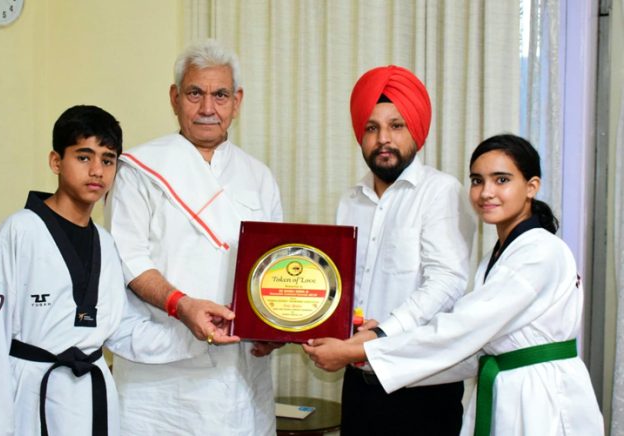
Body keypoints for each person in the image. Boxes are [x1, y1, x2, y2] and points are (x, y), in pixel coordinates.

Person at [303, 134, 605, 435]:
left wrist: (367, 349)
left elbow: (461, 329)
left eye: (501, 180)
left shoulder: (540, 252)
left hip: (541, 395)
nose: (486, 192)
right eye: (477, 180)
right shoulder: (497, 256)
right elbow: (469, 349)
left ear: (531, 186)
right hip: (507, 386)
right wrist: (376, 351)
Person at [0, 105, 178, 435]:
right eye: (84, 157)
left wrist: (201, 334)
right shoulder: (18, 233)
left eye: (108, 159)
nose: (97, 171)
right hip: (31, 398)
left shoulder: (106, 243)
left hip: (91, 399)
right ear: (56, 161)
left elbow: (123, 330)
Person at [104, 39, 283, 435]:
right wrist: (181, 305)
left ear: (236, 101)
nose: (207, 108)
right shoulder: (139, 169)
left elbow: (276, 268)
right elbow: (126, 258)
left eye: (220, 95)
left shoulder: (259, 176)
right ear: (174, 98)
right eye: (195, 94)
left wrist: (276, 328)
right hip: (164, 375)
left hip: (240, 374)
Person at [320, 65, 475, 435]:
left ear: (416, 132)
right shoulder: (350, 201)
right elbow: (340, 285)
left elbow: (447, 282)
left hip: (422, 389)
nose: (383, 139)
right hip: (359, 385)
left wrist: (380, 336)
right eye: (372, 128)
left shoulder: (440, 191)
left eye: (396, 125)